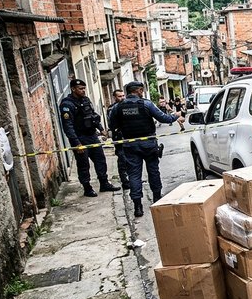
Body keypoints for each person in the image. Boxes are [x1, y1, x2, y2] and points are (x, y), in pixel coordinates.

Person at [109, 81, 185, 217]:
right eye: (141, 90)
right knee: (153, 171)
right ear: (138, 90)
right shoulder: (146, 104)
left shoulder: (118, 107)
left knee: (133, 175)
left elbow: (112, 124)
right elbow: (164, 118)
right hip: (148, 144)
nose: (142, 92)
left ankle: (138, 207)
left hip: (130, 144)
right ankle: (157, 199)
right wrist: (177, 115)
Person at [60, 79, 120, 197]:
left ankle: (104, 183)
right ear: (73, 89)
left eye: (84, 88)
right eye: (80, 89)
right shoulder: (67, 104)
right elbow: (68, 126)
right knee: (83, 164)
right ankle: (87, 188)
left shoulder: (85, 100)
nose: (83, 91)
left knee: (100, 160)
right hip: (79, 138)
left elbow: (93, 116)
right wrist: (76, 143)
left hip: (92, 136)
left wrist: (101, 129)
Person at [107, 89, 129, 190]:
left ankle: (131, 178)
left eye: (123, 95)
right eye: (119, 96)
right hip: (119, 137)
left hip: (128, 136)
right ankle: (125, 181)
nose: (122, 98)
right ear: (115, 98)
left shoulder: (126, 106)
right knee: (122, 159)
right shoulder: (112, 108)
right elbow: (112, 124)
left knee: (131, 159)